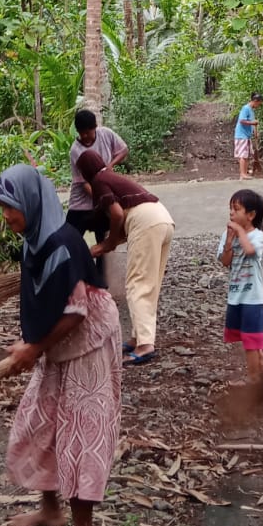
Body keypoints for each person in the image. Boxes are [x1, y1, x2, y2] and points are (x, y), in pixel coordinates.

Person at [0, 163, 122, 526]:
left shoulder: (62, 243)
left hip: (88, 343)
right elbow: (44, 301)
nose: (6, 215)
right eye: (3, 207)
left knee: (80, 434)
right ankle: (51, 509)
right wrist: (32, 344)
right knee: (39, 422)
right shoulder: (34, 241)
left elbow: (77, 311)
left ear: (29, 202)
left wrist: (33, 348)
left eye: (10, 206)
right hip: (58, 345)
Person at [75, 149, 175, 365]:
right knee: (150, 283)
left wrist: (108, 243)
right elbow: (124, 224)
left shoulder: (99, 180)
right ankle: (138, 337)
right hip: (163, 219)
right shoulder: (111, 175)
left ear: (85, 172)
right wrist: (103, 246)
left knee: (137, 284)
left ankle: (145, 345)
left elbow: (119, 215)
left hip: (146, 222)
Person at [67, 109, 129, 283]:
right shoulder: (75, 150)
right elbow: (84, 183)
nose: (85, 136)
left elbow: (123, 150)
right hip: (81, 205)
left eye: (88, 131)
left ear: (95, 128)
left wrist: (109, 167)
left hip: (103, 201)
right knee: (69, 240)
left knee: (103, 240)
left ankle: (100, 281)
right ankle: (70, 276)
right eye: (82, 133)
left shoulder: (106, 135)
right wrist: (104, 198)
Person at [218, 188, 263, 381]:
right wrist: (229, 241)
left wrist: (239, 232)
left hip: (253, 297)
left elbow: (250, 251)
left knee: (251, 339)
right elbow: (225, 261)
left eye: (236, 209)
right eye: (230, 208)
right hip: (235, 295)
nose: (231, 213)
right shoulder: (227, 235)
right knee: (245, 336)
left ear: (251, 215)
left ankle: (254, 380)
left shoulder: (257, 236)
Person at [235, 93, 263, 177]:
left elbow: (253, 123)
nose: (258, 106)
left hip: (247, 136)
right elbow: (242, 120)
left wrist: (255, 132)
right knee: (243, 155)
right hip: (241, 135)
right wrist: (252, 123)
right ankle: (242, 173)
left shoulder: (251, 110)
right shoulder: (246, 108)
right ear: (255, 101)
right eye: (259, 103)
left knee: (247, 155)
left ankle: (245, 173)